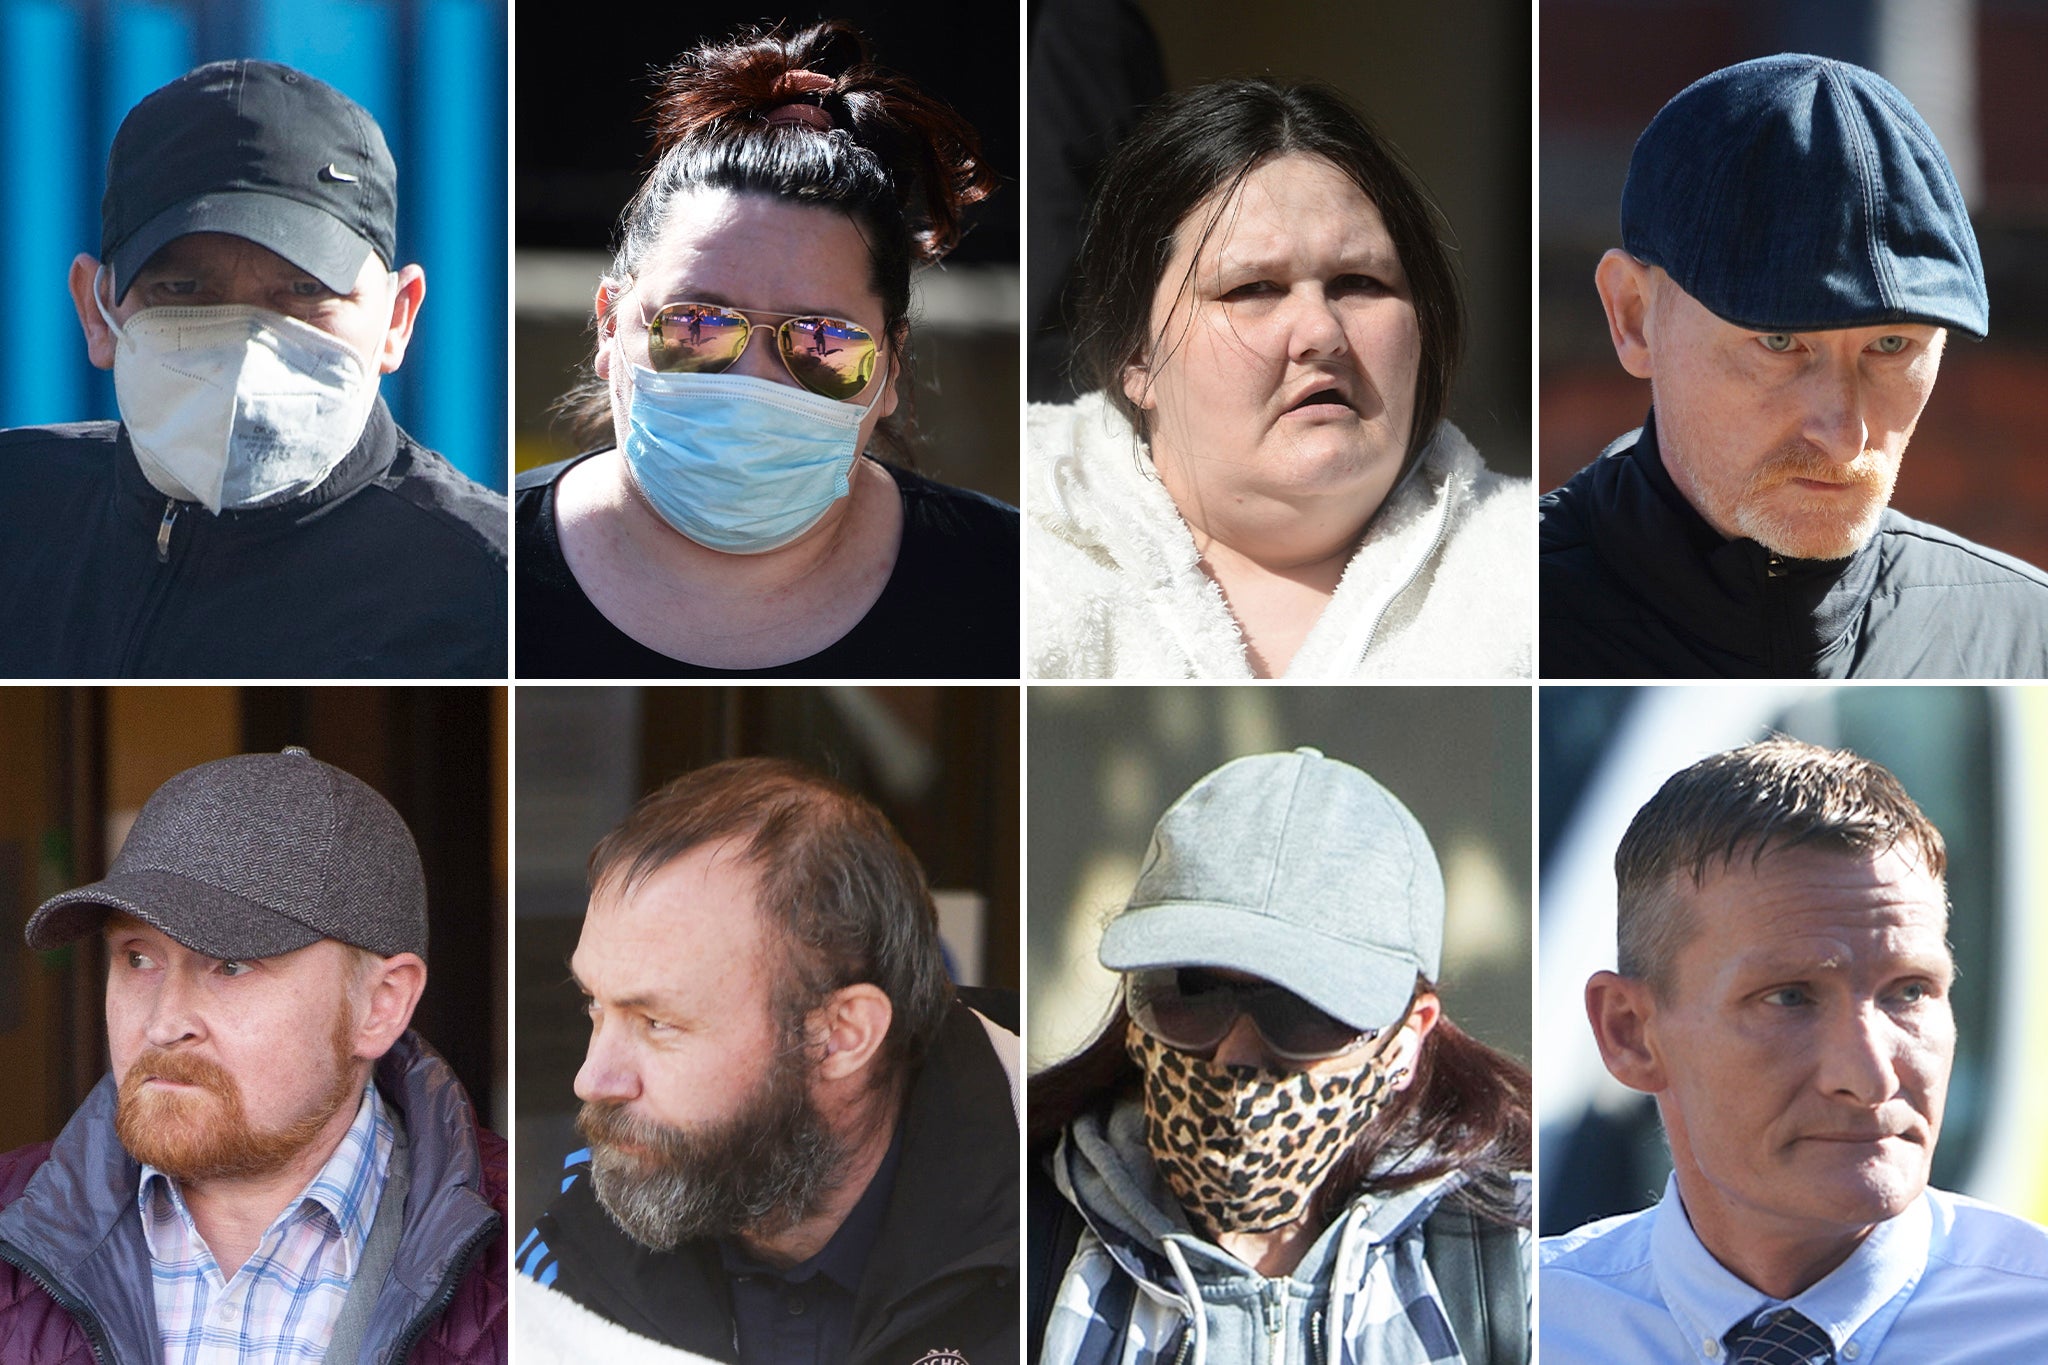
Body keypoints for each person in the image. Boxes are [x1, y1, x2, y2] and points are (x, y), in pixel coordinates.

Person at [516, 22, 1020, 679]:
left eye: (821, 339)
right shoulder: (475, 569)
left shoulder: (1015, 586)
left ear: (891, 365)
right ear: (610, 325)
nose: (753, 377)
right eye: (695, 324)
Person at [1540, 55, 2048, 678]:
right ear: (1633, 315)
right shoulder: (1473, 618)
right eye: (1780, 340)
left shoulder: (2026, 637)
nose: (1843, 437)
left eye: (1891, 346)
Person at [1541, 739, 2048, 1361]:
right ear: (1629, 1033)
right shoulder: (1526, 1322)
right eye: (1789, 999)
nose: (1869, 1076)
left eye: (1910, 992)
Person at [0, 59, 507, 679]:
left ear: (396, 320)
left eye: (302, 289)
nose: (245, 348)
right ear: (96, 311)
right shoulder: (16, 508)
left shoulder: (492, 594)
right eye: (185, 288)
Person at [0, 747, 507, 1363]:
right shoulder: (10, 1223)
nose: (164, 1023)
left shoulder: (530, 1260)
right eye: (137, 957)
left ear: (381, 1004)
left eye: (231, 965)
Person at [1030, 748, 1531, 1364]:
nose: (1235, 1058)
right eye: (1192, 995)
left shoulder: (1513, 1267)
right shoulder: (1023, 1236)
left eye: (1301, 1014)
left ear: (1407, 1037)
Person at [517, 757, 1020, 1363]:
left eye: (657, 1023)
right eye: (594, 1009)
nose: (592, 1080)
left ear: (841, 1035)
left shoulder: (1064, 1220)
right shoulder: (570, 1249)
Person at [1026, 80, 1531, 680]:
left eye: (1360, 282)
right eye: (1253, 288)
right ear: (1136, 357)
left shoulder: (1535, 573)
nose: (1321, 331)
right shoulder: (1012, 554)